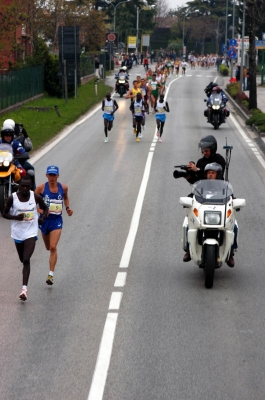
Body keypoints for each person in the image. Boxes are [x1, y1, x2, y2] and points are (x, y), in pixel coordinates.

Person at [2, 175, 49, 301]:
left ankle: (24, 290)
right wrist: (15, 217)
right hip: (17, 233)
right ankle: (25, 273)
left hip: (31, 232)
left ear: (30, 186)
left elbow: (45, 208)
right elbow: (4, 213)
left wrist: (42, 217)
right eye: (22, 185)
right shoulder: (13, 198)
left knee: (27, 259)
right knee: (22, 259)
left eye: (27, 186)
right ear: (19, 185)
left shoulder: (35, 197)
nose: (24, 188)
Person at [182, 163, 237, 267]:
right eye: (208, 173)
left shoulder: (225, 187)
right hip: (203, 213)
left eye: (213, 173)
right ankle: (188, 250)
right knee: (188, 224)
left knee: (234, 226)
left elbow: (231, 198)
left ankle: (231, 253)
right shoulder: (200, 185)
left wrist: (235, 204)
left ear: (218, 174)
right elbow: (192, 196)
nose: (210, 175)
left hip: (220, 213)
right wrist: (188, 201)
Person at [35, 166, 73, 286]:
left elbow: (65, 197)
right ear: (46, 175)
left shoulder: (63, 187)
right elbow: (30, 201)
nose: (52, 177)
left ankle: (50, 275)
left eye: (54, 175)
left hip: (56, 220)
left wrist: (67, 208)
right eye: (50, 175)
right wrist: (41, 211)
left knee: (53, 247)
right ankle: (51, 270)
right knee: (47, 247)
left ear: (58, 176)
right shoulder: (41, 188)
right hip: (45, 221)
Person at [0, 124, 36, 189]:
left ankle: (27, 190)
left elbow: (22, 150)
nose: (8, 137)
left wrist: (23, 154)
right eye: (6, 135)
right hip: (1, 163)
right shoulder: (0, 142)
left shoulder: (16, 143)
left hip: (14, 163)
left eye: (9, 135)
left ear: (12, 135)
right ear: (3, 135)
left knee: (23, 172)